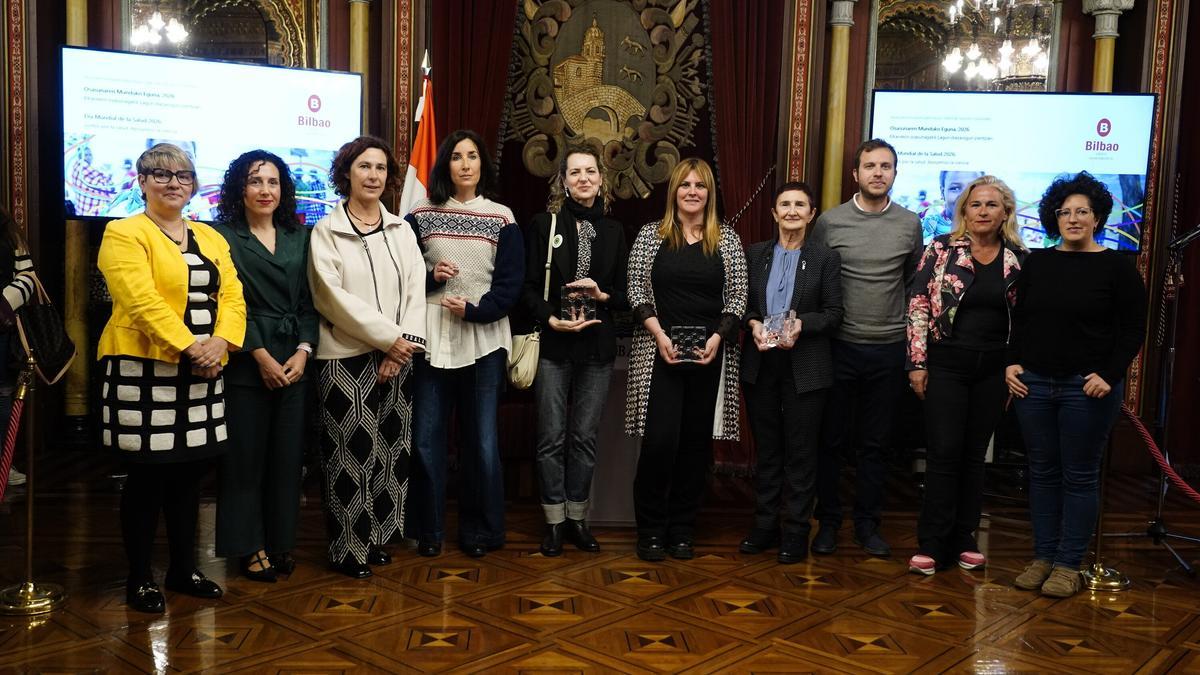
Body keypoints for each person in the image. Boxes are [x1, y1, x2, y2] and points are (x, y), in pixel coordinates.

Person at [97, 142, 246, 613]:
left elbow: (234, 296)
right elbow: (140, 301)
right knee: (147, 479)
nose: (173, 183)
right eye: (160, 174)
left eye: (182, 175)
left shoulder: (211, 236)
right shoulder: (123, 232)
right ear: (141, 182)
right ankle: (140, 577)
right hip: (144, 369)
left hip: (205, 369)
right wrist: (191, 347)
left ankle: (184, 569)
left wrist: (221, 343)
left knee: (189, 476)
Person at [1005, 171, 1146, 598]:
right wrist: (1012, 363)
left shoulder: (1118, 267)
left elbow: (1133, 329)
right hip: (1033, 385)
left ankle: (1069, 564)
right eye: (1065, 212)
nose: (1073, 219)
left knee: (1079, 477)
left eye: (1082, 212)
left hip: (1086, 389)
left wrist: (1110, 374)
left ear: (1097, 217)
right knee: (1042, 474)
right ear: (1054, 217)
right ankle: (1043, 557)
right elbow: (1020, 320)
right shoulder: (1038, 263)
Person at [308, 136, 427, 578]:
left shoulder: (400, 230)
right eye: (364, 166)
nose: (373, 175)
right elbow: (329, 296)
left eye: (380, 168)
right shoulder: (326, 231)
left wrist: (401, 344)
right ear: (346, 173)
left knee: (390, 453)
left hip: (399, 357)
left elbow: (416, 289)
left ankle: (375, 538)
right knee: (351, 454)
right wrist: (387, 339)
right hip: (345, 357)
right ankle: (347, 548)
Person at [406, 129, 524, 558]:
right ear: (446, 165)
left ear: (482, 164)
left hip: (483, 340)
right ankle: (429, 530)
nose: (465, 164)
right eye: (457, 156)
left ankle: (480, 532)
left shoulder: (502, 217)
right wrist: (430, 277)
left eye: (472, 156)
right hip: (432, 340)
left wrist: (475, 310)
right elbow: (403, 277)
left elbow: (510, 285)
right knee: (426, 440)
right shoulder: (420, 214)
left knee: (482, 443)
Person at [625, 158, 747, 562]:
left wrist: (717, 338)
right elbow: (636, 290)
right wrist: (659, 335)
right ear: (673, 191)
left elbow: (738, 297)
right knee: (659, 443)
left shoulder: (726, 239)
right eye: (685, 185)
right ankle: (651, 529)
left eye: (700, 185)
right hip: (660, 353)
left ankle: (681, 528)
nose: (692, 191)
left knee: (695, 446)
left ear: (709, 193)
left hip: (708, 355)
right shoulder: (651, 235)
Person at [905, 176, 1027, 575]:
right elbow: (918, 305)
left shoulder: (1019, 257)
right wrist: (917, 363)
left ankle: (964, 537)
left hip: (994, 369)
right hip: (946, 365)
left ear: (1005, 212)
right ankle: (932, 542)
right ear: (964, 211)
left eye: (992, 205)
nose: (983, 211)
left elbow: (1025, 319)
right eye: (975, 204)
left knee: (974, 456)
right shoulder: (941, 249)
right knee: (944, 452)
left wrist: (1016, 364)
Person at [808, 138, 923, 557]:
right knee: (831, 440)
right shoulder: (831, 222)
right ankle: (828, 522)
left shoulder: (909, 223)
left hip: (888, 348)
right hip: (838, 346)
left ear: (895, 173)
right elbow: (816, 279)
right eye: (870, 166)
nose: (878, 173)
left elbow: (912, 283)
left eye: (886, 166)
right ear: (855, 173)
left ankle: (867, 525)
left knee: (876, 444)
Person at [213, 150, 318, 582]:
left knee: (287, 460)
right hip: (245, 360)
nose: (264, 190)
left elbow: (311, 300)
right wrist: (258, 354)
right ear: (240, 188)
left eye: (272, 182)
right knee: (245, 460)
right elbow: (227, 302)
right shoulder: (221, 236)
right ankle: (249, 546)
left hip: (295, 361)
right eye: (255, 181)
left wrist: (304, 350)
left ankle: (279, 543)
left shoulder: (300, 236)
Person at [522, 146, 628, 556]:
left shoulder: (615, 231)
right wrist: (551, 319)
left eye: (591, 171)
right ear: (563, 182)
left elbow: (625, 295)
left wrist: (602, 295)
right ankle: (553, 522)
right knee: (550, 437)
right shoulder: (544, 224)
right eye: (575, 172)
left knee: (584, 438)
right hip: (554, 345)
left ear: (601, 179)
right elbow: (528, 288)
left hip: (597, 349)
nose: (584, 178)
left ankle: (578, 520)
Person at [739, 181, 843, 564]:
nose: (792, 211)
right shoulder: (755, 254)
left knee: (801, 453)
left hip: (806, 365)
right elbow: (743, 305)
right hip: (761, 363)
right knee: (768, 452)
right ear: (774, 212)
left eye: (800, 204)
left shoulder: (825, 258)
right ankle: (765, 526)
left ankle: (797, 531)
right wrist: (753, 324)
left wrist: (802, 325)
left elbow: (834, 313)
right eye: (785, 204)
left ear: (812, 213)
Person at [0, 204, 36, 488]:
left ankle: (3, 464)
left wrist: (3, 303)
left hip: (1, 330)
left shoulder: (9, 232)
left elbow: (27, 277)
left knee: (2, 396)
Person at [920, 171, 985, 242]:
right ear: (942, 192)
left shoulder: (989, 224)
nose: (964, 196)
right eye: (955, 188)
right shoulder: (932, 222)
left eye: (973, 188)